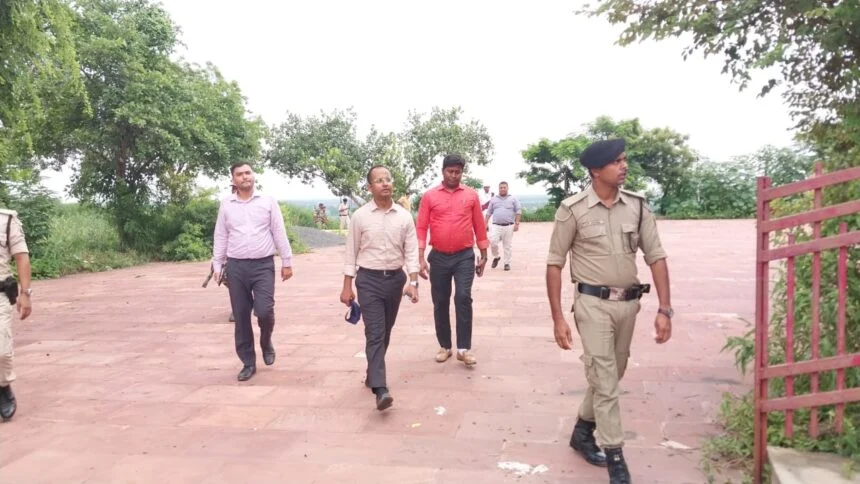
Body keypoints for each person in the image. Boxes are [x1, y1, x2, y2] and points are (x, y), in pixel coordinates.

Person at [545, 139, 672, 484]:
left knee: (612, 374)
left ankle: (581, 432)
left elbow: (656, 256)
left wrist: (665, 309)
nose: (624, 166)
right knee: (604, 377)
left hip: (628, 305)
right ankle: (616, 457)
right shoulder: (572, 210)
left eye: (624, 160)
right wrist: (558, 318)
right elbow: (555, 264)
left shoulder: (637, 207)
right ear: (596, 170)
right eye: (617, 161)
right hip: (592, 305)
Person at [340, 165, 419, 411]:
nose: (385, 183)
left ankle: (372, 373)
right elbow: (351, 253)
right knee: (374, 332)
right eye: (379, 180)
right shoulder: (360, 217)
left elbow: (412, 252)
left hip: (395, 281)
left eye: (388, 179)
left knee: (385, 331)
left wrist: (413, 282)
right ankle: (380, 389)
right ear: (370, 187)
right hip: (368, 281)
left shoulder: (404, 217)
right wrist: (347, 286)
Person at [212, 162, 294, 381]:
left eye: (248, 172)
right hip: (236, 267)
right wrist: (217, 264)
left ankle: (266, 340)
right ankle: (248, 362)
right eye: (239, 174)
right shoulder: (226, 204)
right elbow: (221, 235)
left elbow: (278, 231)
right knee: (240, 316)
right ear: (233, 180)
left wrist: (286, 261)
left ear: (253, 176)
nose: (245, 177)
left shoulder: (267, 201)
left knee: (264, 311)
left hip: (263, 266)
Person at [416, 154, 489, 367]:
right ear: (443, 172)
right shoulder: (429, 196)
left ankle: (463, 349)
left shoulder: (471, 195)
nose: (454, 175)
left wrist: (484, 254)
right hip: (438, 257)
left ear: (462, 173)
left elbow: (479, 225)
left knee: (463, 297)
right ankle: (445, 346)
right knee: (440, 301)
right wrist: (420, 256)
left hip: (464, 256)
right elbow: (421, 227)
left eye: (458, 172)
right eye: (450, 171)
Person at [0, 208, 33, 421]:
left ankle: (2, 385)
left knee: (1, 350)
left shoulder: (6, 220)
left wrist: (25, 293)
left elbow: (22, 257)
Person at [484, 181, 522, 271]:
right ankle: (496, 257)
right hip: (496, 225)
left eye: (504, 187)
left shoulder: (513, 199)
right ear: (499, 189)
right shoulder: (494, 199)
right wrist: (485, 223)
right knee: (493, 242)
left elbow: (518, 211)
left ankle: (507, 263)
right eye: (501, 188)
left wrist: (517, 223)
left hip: (509, 226)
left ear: (507, 188)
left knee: (507, 245)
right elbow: (489, 212)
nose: (502, 189)